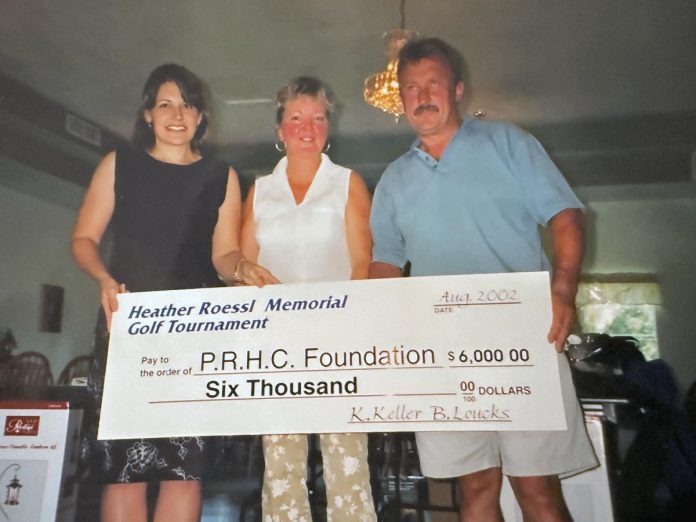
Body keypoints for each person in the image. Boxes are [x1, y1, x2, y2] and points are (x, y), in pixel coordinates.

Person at [369, 38, 598, 522]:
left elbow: (565, 217)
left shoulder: (510, 144)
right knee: (474, 487)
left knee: (536, 488)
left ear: (456, 90)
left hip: (524, 339)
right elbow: (386, 263)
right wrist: (386, 331)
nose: (421, 95)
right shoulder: (392, 178)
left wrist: (562, 290)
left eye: (432, 83)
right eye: (410, 87)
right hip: (442, 351)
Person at [71, 63, 273, 522]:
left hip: (193, 338)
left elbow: (224, 254)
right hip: (127, 331)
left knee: (185, 471)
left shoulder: (223, 176)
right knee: (125, 472)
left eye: (187, 104)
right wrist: (104, 278)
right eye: (165, 103)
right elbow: (83, 238)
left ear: (200, 117)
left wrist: (241, 266)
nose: (177, 113)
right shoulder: (118, 165)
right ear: (148, 114)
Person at [240, 76, 376, 521]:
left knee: (348, 466)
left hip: (338, 345)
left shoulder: (349, 183)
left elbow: (362, 265)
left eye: (318, 118)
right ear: (279, 130)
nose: (307, 127)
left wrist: (350, 328)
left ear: (328, 128)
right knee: (281, 471)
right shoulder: (259, 192)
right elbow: (245, 270)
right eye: (295, 117)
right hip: (275, 348)